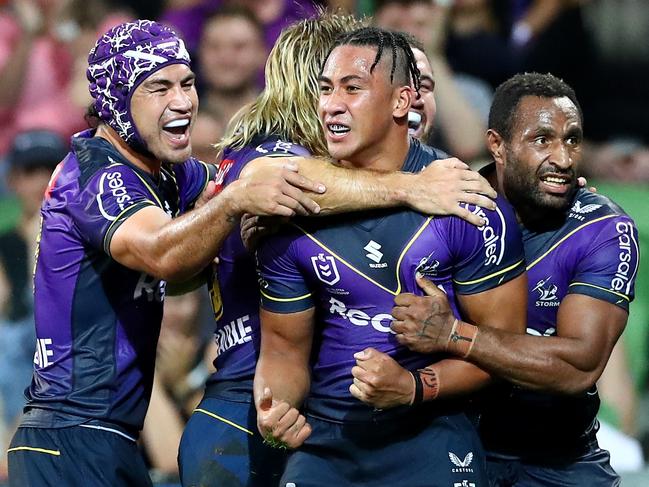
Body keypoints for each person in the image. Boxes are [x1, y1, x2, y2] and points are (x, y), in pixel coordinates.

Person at [178, 13, 501, 487]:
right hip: (251, 411)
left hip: (318, 417)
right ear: (313, 85)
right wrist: (411, 186)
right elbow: (283, 178)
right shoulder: (276, 159)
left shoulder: (336, 184)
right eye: (335, 85)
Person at [5, 19, 328, 487]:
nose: (182, 101)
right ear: (116, 100)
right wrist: (236, 202)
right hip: (69, 439)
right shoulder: (95, 175)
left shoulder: (163, 172)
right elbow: (163, 253)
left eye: (188, 83)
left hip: (108, 438)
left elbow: (228, 181)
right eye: (158, 87)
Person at [254, 27, 529, 486]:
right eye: (325, 89)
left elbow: (504, 350)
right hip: (325, 442)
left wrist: (414, 387)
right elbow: (283, 352)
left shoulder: (469, 204)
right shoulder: (294, 208)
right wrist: (275, 406)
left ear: (402, 102)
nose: (331, 105)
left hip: (432, 435)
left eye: (352, 88)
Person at [372, 72, 639, 486]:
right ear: (497, 145)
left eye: (572, 139)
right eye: (542, 140)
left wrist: (453, 334)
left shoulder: (602, 229)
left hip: (560, 460)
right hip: (446, 444)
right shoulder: (446, 209)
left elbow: (578, 366)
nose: (564, 159)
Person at [0, 130, 68, 481]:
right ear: (13, 180)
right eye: (31, 172)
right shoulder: (3, 245)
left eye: (50, 169)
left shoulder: (87, 241)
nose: (43, 181)